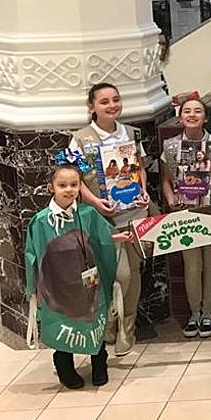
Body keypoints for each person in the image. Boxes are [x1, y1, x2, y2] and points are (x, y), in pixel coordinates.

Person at [25, 164, 130, 388]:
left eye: (74, 185)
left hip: (88, 281)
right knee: (62, 321)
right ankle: (64, 365)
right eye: (62, 185)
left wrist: (116, 238)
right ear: (51, 187)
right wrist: (33, 287)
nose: (68, 190)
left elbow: (103, 236)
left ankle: (99, 363)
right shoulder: (41, 221)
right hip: (57, 285)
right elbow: (32, 255)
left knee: (94, 319)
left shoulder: (87, 213)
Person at [68, 82, 149, 356]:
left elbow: (140, 168)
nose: (112, 105)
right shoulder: (80, 139)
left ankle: (128, 327)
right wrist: (96, 203)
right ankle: (111, 318)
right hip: (103, 219)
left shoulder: (132, 133)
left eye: (116, 99)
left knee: (134, 272)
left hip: (135, 213)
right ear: (92, 107)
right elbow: (74, 181)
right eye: (104, 102)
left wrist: (144, 192)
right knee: (116, 274)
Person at [160, 96, 211, 339]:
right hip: (184, 212)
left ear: (206, 117)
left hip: (210, 210)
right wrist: (170, 200)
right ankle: (194, 313)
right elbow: (166, 180)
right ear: (180, 117)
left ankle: (208, 313)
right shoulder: (169, 146)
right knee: (192, 265)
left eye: (197, 111)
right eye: (186, 111)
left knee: (210, 263)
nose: (191, 115)